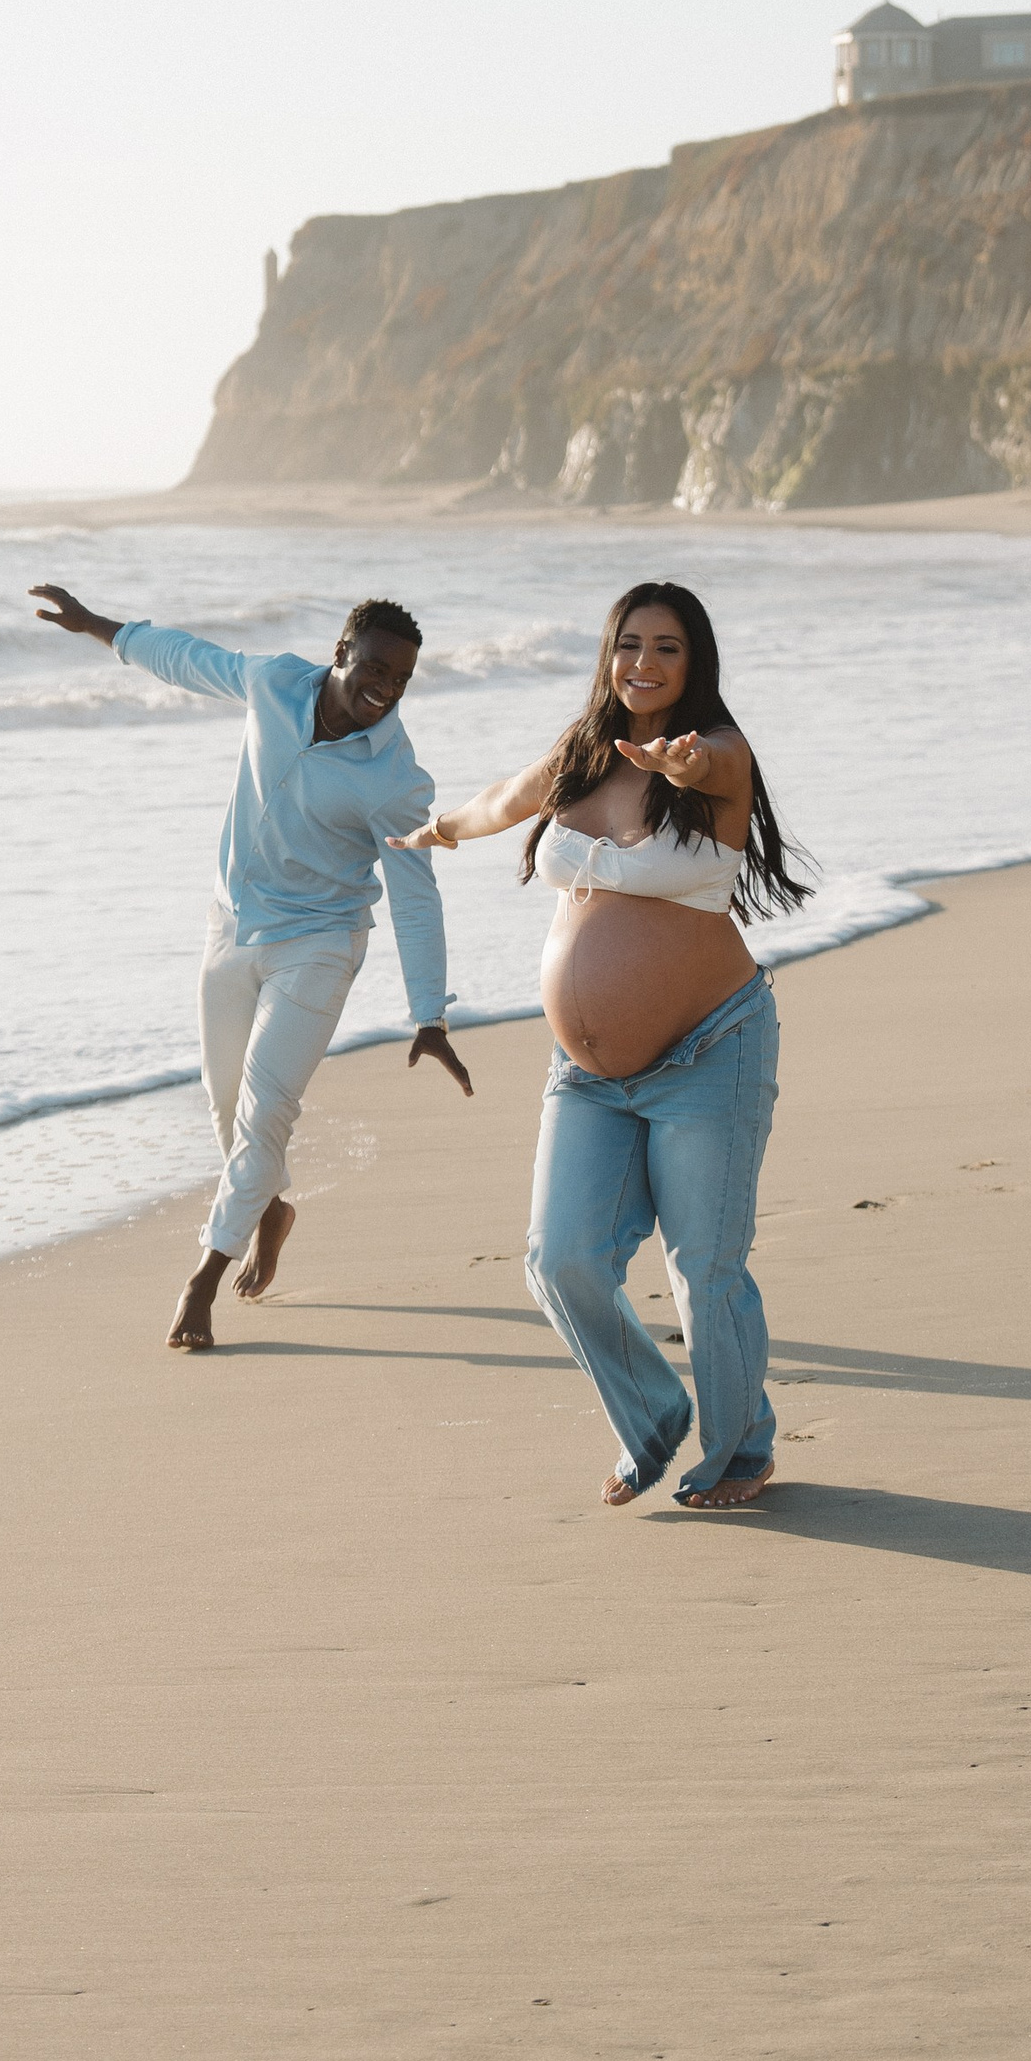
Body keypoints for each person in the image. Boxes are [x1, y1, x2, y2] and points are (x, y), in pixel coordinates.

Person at [394, 580, 808, 1509]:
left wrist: (684, 764)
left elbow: (708, 771)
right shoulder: (582, 756)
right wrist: (441, 830)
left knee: (704, 1267)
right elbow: (505, 799)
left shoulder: (721, 754)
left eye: (667, 647)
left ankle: (741, 1448)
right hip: (587, 1077)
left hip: (711, 1050)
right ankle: (655, 1418)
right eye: (629, 644)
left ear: (694, 661)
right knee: (561, 1261)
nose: (644, 663)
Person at [29, 579, 474, 1350]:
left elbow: (415, 897)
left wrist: (429, 1013)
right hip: (231, 926)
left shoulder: (395, 780)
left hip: (321, 944)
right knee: (226, 1105)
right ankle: (270, 1209)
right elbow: (188, 658)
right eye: (374, 668)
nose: (384, 689)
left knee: (266, 1109)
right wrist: (97, 625)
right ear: (341, 654)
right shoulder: (273, 682)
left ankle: (203, 1277)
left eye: (400, 680)